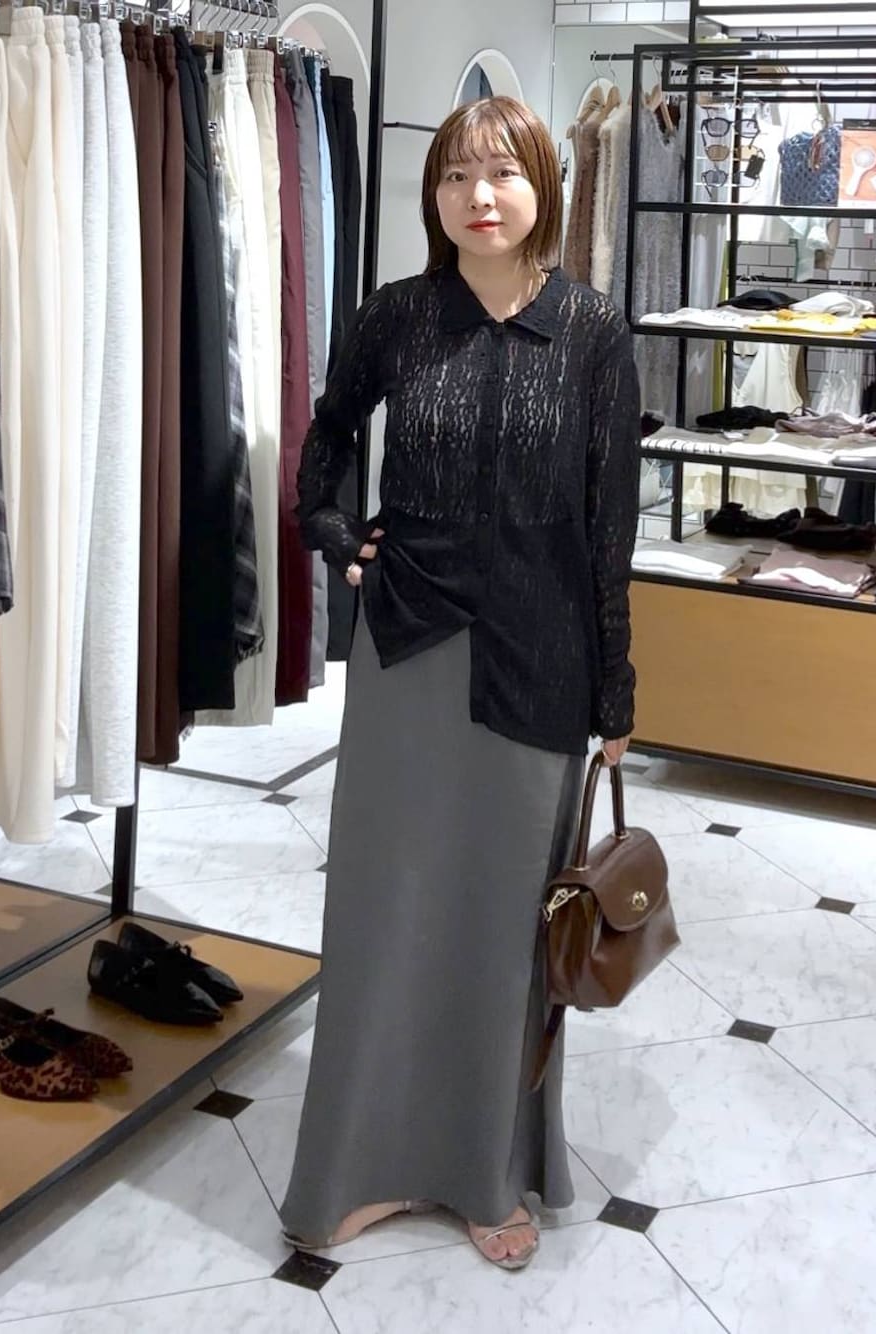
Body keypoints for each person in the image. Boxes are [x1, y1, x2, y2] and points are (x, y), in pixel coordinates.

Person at [280, 94, 640, 1271]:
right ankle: (363, 1162)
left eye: (502, 172)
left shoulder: (592, 331)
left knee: (502, 922)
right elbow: (327, 439)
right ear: (432, 193)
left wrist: (616, 695)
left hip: (540, 663)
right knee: (385, 908)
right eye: (454, 175)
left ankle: (486, 1172)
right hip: (410, 650)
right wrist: (338, 535)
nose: (478, 196)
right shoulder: (395, 315)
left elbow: (610, 526)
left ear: (544, 183)